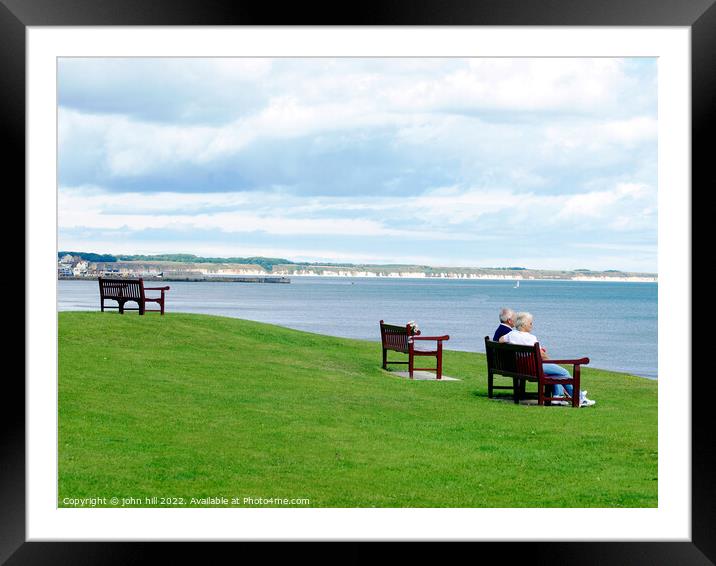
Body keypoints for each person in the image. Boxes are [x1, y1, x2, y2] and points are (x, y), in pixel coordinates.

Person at [500, 311, 595, 407]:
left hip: (523, 368)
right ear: (524, 324)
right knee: (564, 372)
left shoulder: (511, 334)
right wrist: (551, 361)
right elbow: (542, 354)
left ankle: (558, 396)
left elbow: (500, 340)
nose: (532, 325)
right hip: (534, 368)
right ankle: (579, 398)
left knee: (556, 372)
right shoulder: (531, 338)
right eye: (530, 323)